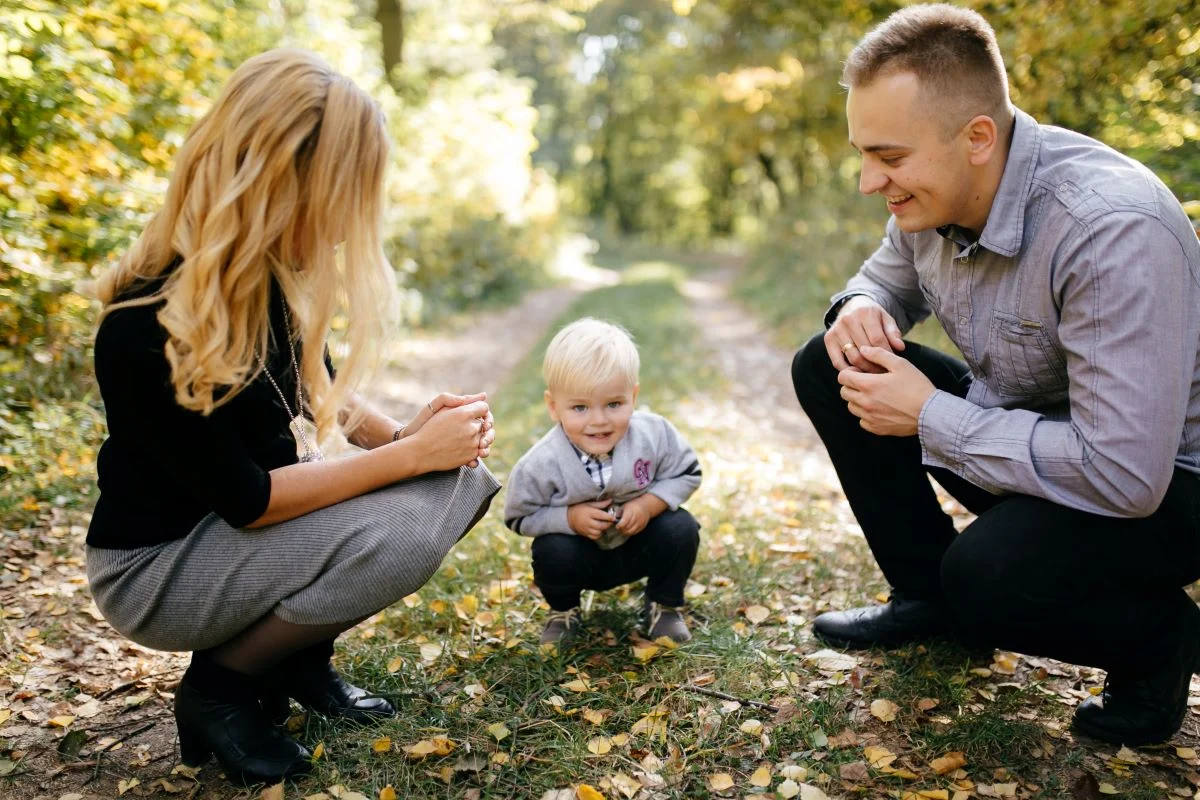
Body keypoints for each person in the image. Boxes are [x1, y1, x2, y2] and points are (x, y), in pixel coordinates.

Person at [85, 49, 501, 785]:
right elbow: (250, 501)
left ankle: (293, 658)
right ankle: (220, 687)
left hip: (230, 543)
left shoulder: (263, 285)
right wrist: (409, 458)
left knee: (459, 484)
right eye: (341, 199)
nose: (345, 229)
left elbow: (318, 390)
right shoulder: (144, 325)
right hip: (156, 570)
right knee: (406, 527)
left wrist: (408, 436)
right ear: (279, 186)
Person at [790, 4, 1200, 746]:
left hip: (1166, 483)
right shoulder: (935, 194)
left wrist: (930, 416)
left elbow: (1125, 475)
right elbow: (882, 279)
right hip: (1042, 439)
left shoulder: (1110, 230)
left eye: (888, 156)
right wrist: (858, 307)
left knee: (989, 577)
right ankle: (928, 602)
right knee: (830, 360)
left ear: (978, 137)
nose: (868, 180)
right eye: (863, 155)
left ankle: (1160, 641)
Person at [504, 318, 702, 646]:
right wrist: (569, 518)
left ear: (633, 396)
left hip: (640, 545)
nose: (599, 420)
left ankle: (664, 605)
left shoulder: (654, 434)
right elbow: (519, 517)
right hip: (580, 556)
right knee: (552, 550)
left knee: (681, 528)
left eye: (613, 404)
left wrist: (648, 504)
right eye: (580, 407)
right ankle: (563, 611)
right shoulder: (540, 463)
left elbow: (688, 472)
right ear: (553, 406)